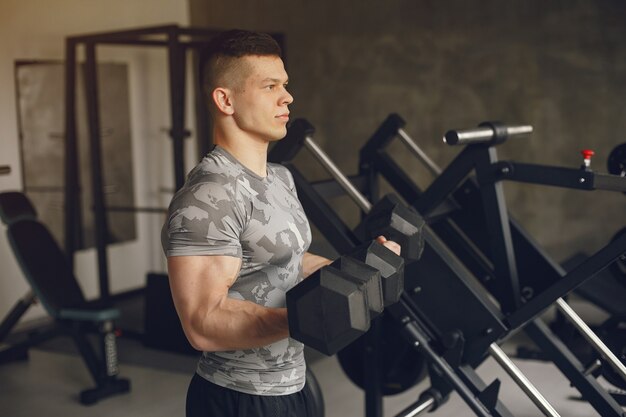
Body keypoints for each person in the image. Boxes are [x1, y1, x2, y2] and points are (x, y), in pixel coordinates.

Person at [161, 29, 400, 417]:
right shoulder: (208, 198)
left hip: (295, 385)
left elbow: (290, 259)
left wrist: (358, 271)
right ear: (225, 99)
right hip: (238, 398)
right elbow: (202, 324)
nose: (287, 97)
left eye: (285, 85)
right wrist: (308, 318)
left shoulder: (280, 177)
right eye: (270, 86)